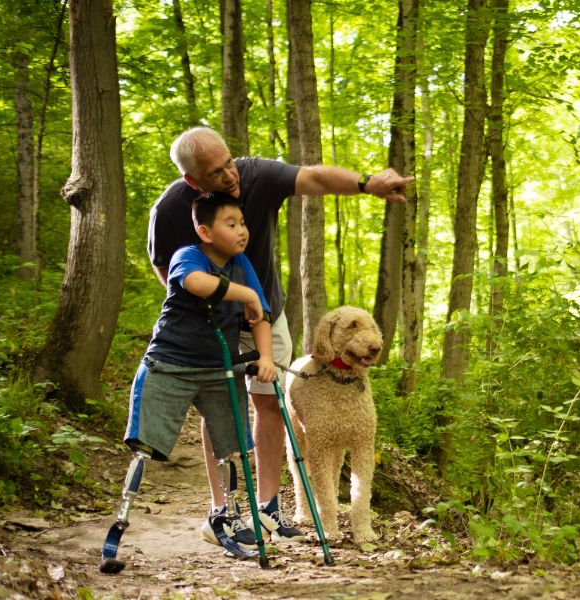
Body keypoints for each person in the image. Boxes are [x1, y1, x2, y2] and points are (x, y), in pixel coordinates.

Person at [147, 126, 414, 546]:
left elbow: (313, 178)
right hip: (209, 321)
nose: (230, 175)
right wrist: (199, 310)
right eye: (216, 173)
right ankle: (224, 510)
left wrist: (367, 184)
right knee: (223, 404)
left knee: (270, 402)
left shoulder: (254, 174)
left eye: (229, 162)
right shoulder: (169, 210)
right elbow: (166, 270)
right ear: (192, 181)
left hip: (265, 311)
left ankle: (268, 509)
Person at [115, 192, 279, 555]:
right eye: (231, 224)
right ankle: (121, 521)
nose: (242, 231)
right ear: (205, 232)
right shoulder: (187, 255)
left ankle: (226, 515)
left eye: (243, 223)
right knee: (145, 445)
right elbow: (196, 283)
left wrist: (265, 355)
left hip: (219, 369)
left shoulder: (243, 265)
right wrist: (247, 296)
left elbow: (261, 315)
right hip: (170, 364)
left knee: (231, 448)